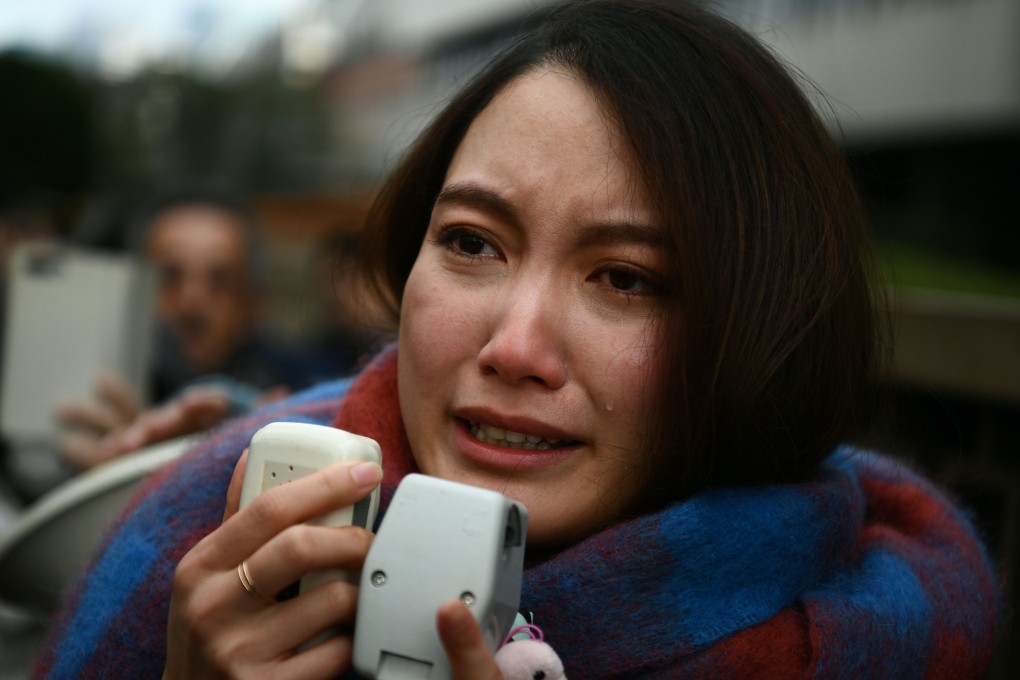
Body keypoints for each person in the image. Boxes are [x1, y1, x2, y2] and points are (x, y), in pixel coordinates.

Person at [33, 1, 1000, 678]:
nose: (514, 345)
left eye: (625, 278)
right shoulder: (214, 530)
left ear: (761, 336)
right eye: (470, 243)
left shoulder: (893, 627)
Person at [55, 188, 319, 469]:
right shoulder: (98, 384)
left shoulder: (295, 406)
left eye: (220, 281)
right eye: (170, 277)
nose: (192, 302)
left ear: (252, 303)